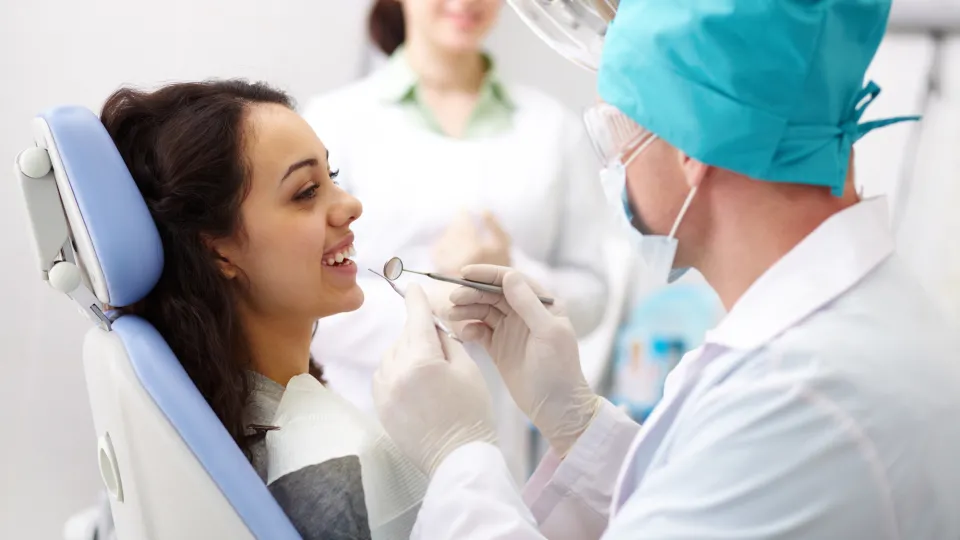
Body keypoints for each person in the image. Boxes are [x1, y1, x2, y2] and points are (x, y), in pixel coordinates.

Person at [371, 0, 960, 538]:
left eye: (614, 133)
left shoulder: (801, 396)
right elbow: (695, 498)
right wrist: (577, 421)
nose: (615, 168)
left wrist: (459, 456)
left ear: (692, 147)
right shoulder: (842, 334)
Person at [301, 0, 610, 447]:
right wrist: (433, 305)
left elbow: (593, 298)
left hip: (500, 436)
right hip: (365, 429)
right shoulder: (335, 122)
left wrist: (512, 274)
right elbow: (304, 304)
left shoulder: (552, 128)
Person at [101, 80, 386, 539]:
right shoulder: (327, 464)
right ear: (218, 252)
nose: (350, 205)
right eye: (306, 191)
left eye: (331, 177)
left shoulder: (213, 422)